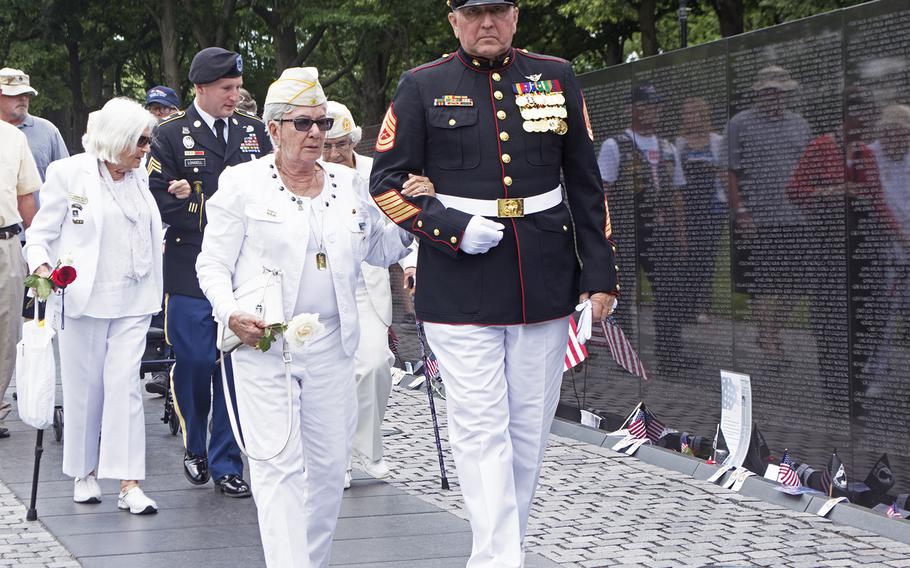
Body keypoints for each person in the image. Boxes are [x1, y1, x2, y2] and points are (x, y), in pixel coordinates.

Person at [369, 1, 619, 566]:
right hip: (459, 279)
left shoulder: (555, 76)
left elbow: (585, 182)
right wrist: (450, 229)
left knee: (528, 430)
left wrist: (599, 275)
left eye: (498, 11)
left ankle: (499, 551)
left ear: (515, 16)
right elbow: (384, 183)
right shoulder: (422, 86)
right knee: (481, 429)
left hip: (544, 277)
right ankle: (499, 560)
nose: (488, 24)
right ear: (453, 19)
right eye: (475, 12)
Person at [196, 67, 416, 568]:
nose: (315, 133)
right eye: (302, 123)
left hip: (333, 345)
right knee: (277, 464)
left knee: (326, 470)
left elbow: (379, 249)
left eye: (321, 123)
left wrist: (409, 217)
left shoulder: (351, 183)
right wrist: (229, 312)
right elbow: (211, 263)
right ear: (273, 129)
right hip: (265, 344)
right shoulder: (241, 183)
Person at [23, 98, 162, 514]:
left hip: (134, 297)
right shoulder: (69, 172)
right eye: (139, 140)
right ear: (117, 138)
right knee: (85, 390)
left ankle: (128, 482)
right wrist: (43, 266)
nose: (145, 149)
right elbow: (41, 233)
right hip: (82, 297)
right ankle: (83, 473)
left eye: (148, 141)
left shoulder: (140, 175)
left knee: (125, 388)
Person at [148, 47, 271, 498]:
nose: (234, 96)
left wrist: (196, 200)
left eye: (238, 88)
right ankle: (195, 442)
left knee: (234, 368)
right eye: (226, 89)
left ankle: (226, 462)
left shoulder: (256, 132)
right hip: (189, 265)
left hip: (242, 269)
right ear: (200, 88)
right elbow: (162, 200)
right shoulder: (170, 134)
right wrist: (202, 208)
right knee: (197, 362)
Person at [324, 100, 435, 487]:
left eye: (342, 144)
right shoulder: (306, 175)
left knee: (374, 364)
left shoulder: (378, 173)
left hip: (365, 285)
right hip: (319, 289)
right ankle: (335, 457)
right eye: (327, 145)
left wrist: (412, 263)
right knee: (330, 375)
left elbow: (407, 222)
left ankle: (368, 449)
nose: (335, 153)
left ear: (353, 141)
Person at [0, 120, 40, 439]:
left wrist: (41, 252)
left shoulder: (13, 138)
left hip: (6, 242)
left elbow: (26, 198)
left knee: (7, 329)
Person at [0, 68, 69, 184]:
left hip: (41, 203)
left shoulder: (48, 131)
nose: (23, 98)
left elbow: (67, 178)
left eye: (27, 94)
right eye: (15, 93)